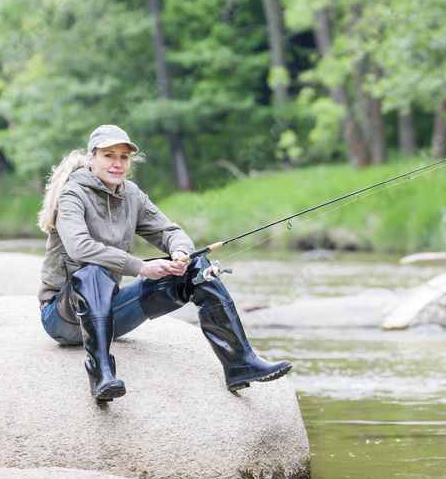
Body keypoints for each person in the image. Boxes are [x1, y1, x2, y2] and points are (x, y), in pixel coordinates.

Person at [37, 124, 291, 401]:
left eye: (123, 157)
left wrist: (181, 252)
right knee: (93, 273)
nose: (117, 163)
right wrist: (141, 267)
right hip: (62, 318)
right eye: (109, 155)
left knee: (197, 267)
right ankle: (102, 376)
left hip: (109, 314)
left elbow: (170, 232)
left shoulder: (131, 195)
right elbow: (80, 248)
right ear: (91, 159)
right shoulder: (72, 194)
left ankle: (241, 364)